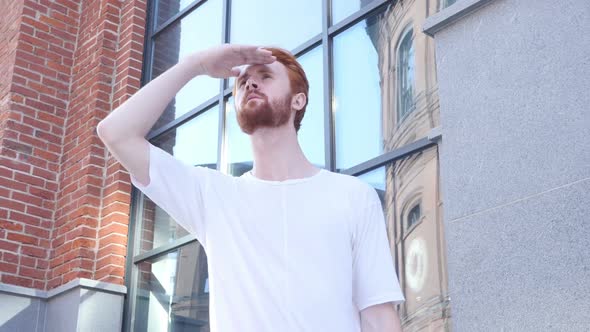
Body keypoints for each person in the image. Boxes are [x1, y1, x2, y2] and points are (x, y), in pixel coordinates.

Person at [97, 44, 404, 332]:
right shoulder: (212, 196)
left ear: (299, 100)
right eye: (243, 82)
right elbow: (116, 133)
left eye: (265, 76)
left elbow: (378, 316)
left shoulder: (353, 197)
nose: (250, 84)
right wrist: (197, 64)